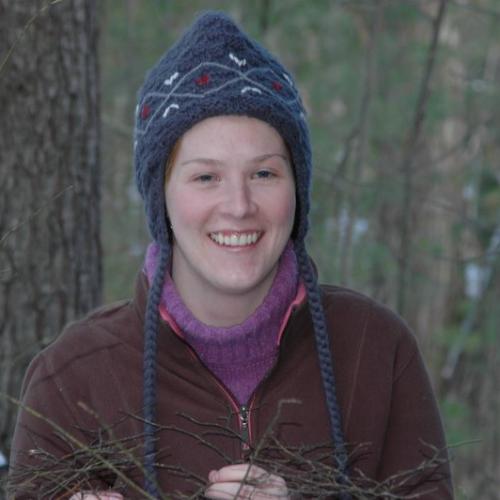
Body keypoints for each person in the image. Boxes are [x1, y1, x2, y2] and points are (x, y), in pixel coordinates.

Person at [9, 11, 454, 500]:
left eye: (264, 174)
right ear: (162, 197)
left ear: (297, 189)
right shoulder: (71, 380)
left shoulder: (376, 352)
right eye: (205, 177)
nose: (239, 206)